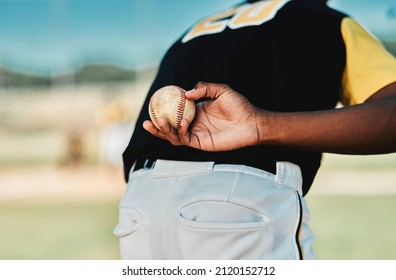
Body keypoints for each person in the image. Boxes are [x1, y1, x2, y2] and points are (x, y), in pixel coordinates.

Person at [114, 0, 396, 260]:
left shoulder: (194, 30)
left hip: (139, 207)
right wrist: (260, 125)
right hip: (238, 201)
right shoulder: (326, 20)